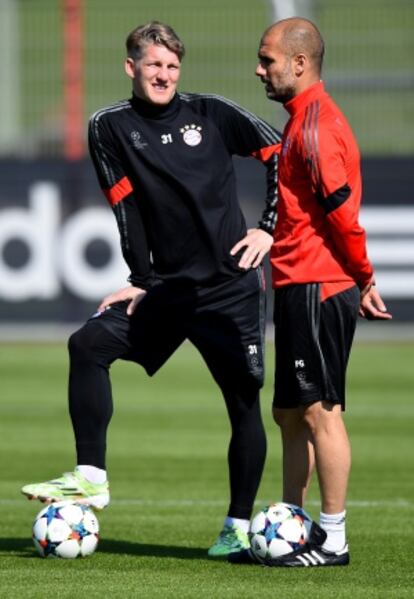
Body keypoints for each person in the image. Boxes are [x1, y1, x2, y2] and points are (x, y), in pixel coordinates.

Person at [21, 21, 282, 558]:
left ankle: (235, 528)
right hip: (170, 289)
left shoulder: (211, 113)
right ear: (131, 67)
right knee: (87, 345)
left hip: (231, 287)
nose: (163, 75)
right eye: (153, 65)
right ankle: (91, 475)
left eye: (171, 66)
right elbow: (126, 208)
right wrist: (141, 281)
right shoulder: (109, 127)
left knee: (243, 406)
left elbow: (282, 152)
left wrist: (268, 227)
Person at [236, 17, 391, 567]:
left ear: (299, 63)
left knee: (321, 411)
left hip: (318, 284)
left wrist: (364, 278)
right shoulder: (301, 120)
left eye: (268, 59)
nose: (260, 69)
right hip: (297, 282)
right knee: (287, 413)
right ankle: (290, 528)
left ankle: (333, 539)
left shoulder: (316, 128)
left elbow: (343, 218)